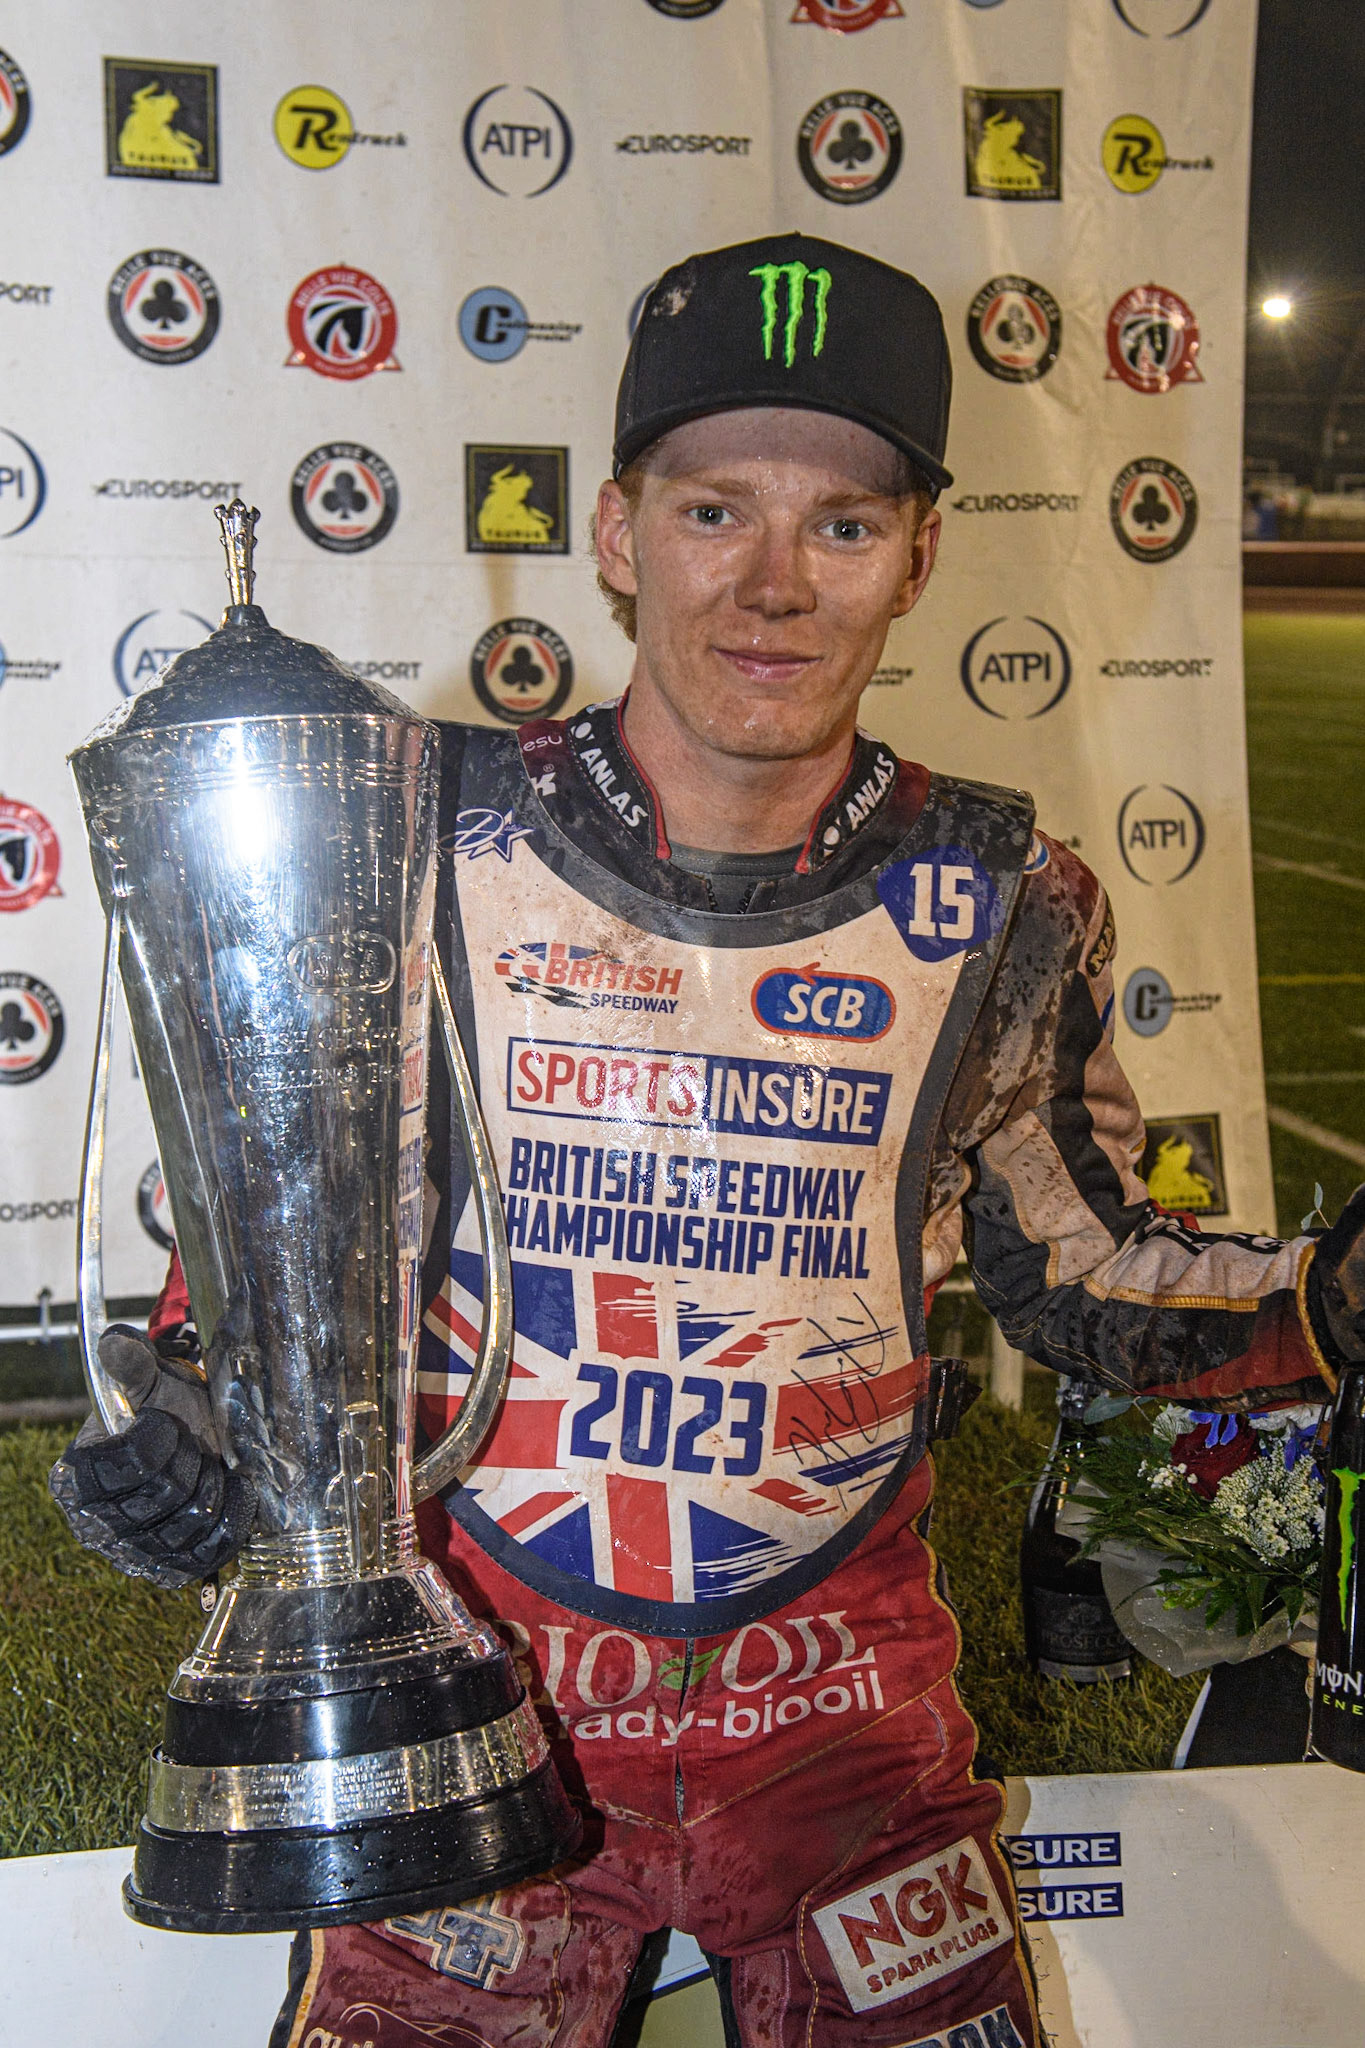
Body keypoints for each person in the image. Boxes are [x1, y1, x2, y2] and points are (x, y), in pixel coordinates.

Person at [52, 233, 1365, 2048]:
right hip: (473, 1708)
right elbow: (274, 1249)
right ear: (615, 532)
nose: (773, 584)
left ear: (919, 555)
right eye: (710, 510)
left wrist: (1324, 1296)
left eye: (843, 523)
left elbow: (1079, 1274)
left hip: (844, 1735)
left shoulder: (1005, 895)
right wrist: (196, 1416)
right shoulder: (419, 834)